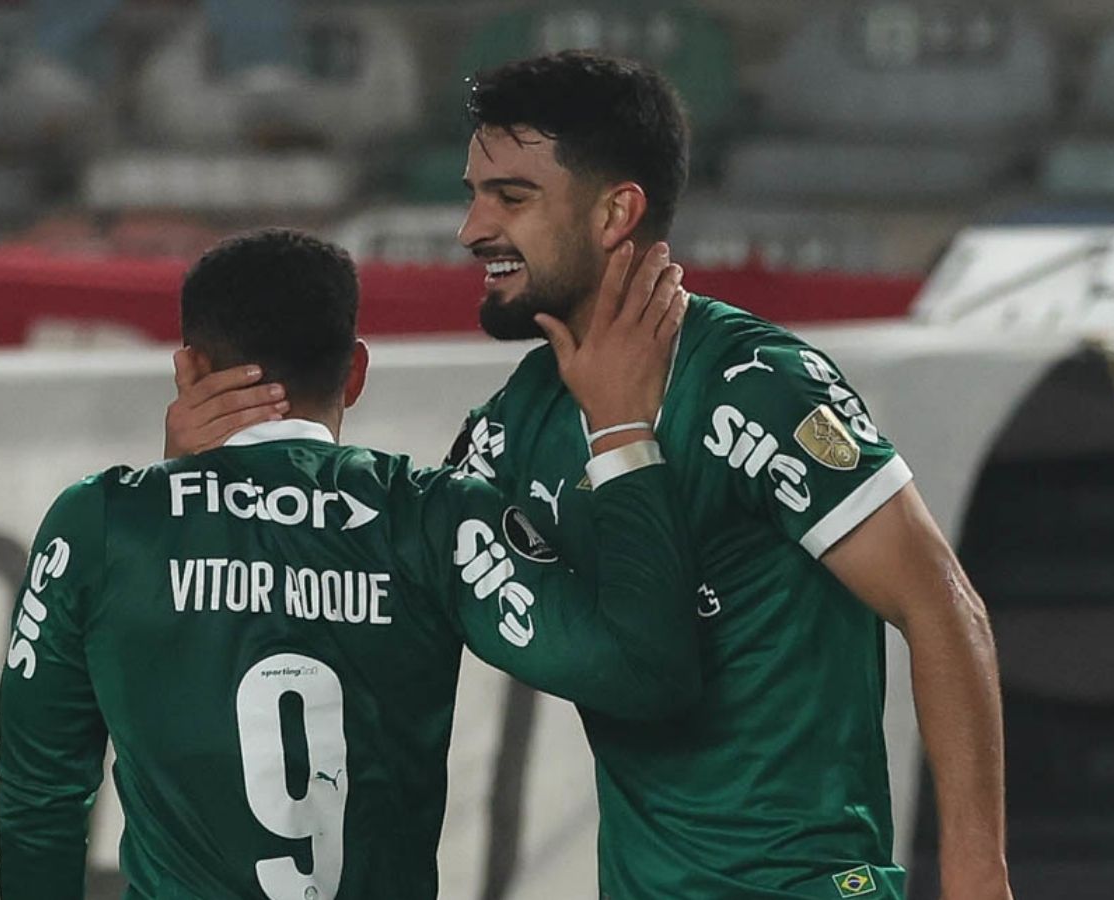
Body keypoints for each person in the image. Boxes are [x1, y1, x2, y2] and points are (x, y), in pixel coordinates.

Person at [166, 53, 1012, 900]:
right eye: (473, 194)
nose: (471, 229)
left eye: (511, 197)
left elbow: (943, 607)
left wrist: (978, 877)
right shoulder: (514, 424)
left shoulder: (756, 387)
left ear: (616, 212)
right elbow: (358, 595)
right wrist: (207, 484)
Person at [0, 227, 698, 899]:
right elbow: (642, 672)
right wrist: (622, 431)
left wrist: (181, 498)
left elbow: (40, 793)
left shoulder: (103, 522)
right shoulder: (432, 514)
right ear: (355, 370)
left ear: (191, 368)